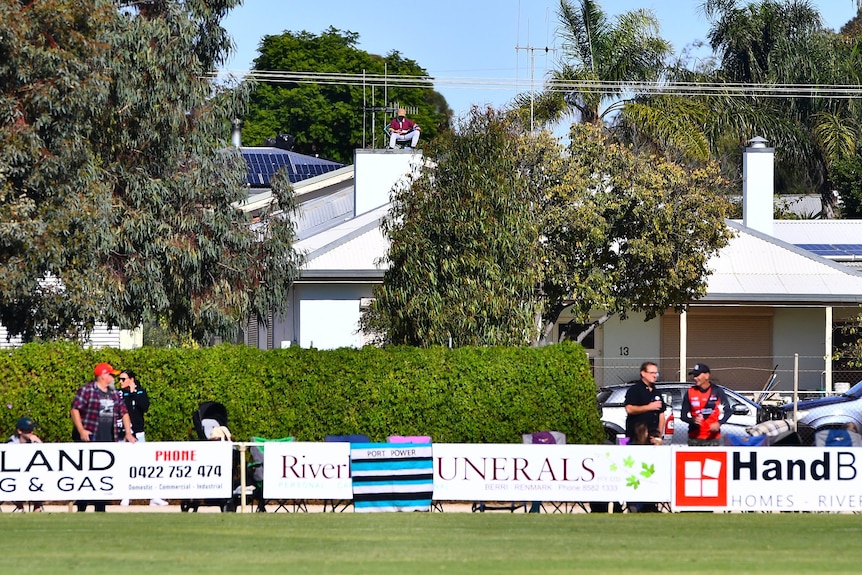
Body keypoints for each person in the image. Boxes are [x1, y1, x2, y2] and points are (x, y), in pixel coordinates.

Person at [70, 362, 137, 511]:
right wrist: (81, 430)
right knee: (86, 474)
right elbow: (75, 410)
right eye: (111, 375)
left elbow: (124, 412)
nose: (113, 378)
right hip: (89, 440)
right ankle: (81, 505)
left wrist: (128, 433)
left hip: (108, 440)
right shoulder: (87, 390)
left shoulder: (113, 393)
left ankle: (100, 507)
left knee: (103, 475)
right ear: (103, 376)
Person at [117, 369, 167, 507]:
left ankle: (154, 496)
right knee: (124, 465)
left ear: (131, 379)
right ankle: (126, 496)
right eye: (119, 379)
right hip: (123, 434)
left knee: (144, 464)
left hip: (138, 434)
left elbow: (144, 407)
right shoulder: (119, 393)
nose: (120, 382)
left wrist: (133, 393)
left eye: (123, 379)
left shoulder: (140, 391)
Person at [680, 363, 732, 446]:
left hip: (712, 438)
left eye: (697, 375)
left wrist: (719, 423)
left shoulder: (717, 391)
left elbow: (728, 411)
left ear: (707, 375)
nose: (695, 378)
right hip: (694, 438)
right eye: (694, 376)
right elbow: (683, 416)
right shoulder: (690, 392)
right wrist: (692, 421)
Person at [7, 416, 43, 512]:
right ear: (19, 431)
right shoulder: (10, 444)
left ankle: (37, 508)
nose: (31, 432)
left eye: (31, 430)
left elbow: (44, 455)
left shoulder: (34, 442)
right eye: (28, 430)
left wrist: (39, 442)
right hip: (15, 478)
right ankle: (20, 508)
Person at [624, 362, 666, 443]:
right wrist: (648, 407)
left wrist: (659, 436)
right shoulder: (634, 390)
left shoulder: (656, 392)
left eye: (656, 373)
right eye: (651, 373)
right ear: (643, 373)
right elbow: (629, 409)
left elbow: (661, 414)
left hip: (653, 437)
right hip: (637, 437)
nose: (654, 375)